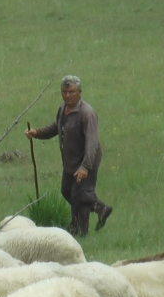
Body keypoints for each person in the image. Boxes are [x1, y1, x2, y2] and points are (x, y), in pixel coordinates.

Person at [24, 75, 113, 237]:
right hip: (70, 163)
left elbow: (92, 143)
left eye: (71, 92)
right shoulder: (62, 110)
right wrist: (36, 133)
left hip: (85, 162)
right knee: (67, 191)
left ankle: (79, 230)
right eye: (64, 92)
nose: (67, 96)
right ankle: (100, 208)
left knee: (79, 196)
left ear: (79, 92)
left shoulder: (87, 113)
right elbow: (56, 127)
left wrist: (85, 167)